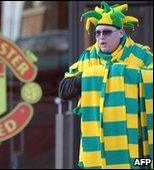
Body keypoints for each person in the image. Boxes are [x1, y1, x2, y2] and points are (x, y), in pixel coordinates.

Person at [58, 1, 153, 169]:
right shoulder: (88, 58)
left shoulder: (141, 55)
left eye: (107, 32)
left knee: (142, 165)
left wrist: (124, 74)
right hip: (96, 144)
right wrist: (89, 77)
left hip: (133, 143)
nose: (101, 37)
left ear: (121, 33)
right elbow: (64, 90)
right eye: (98, 33)